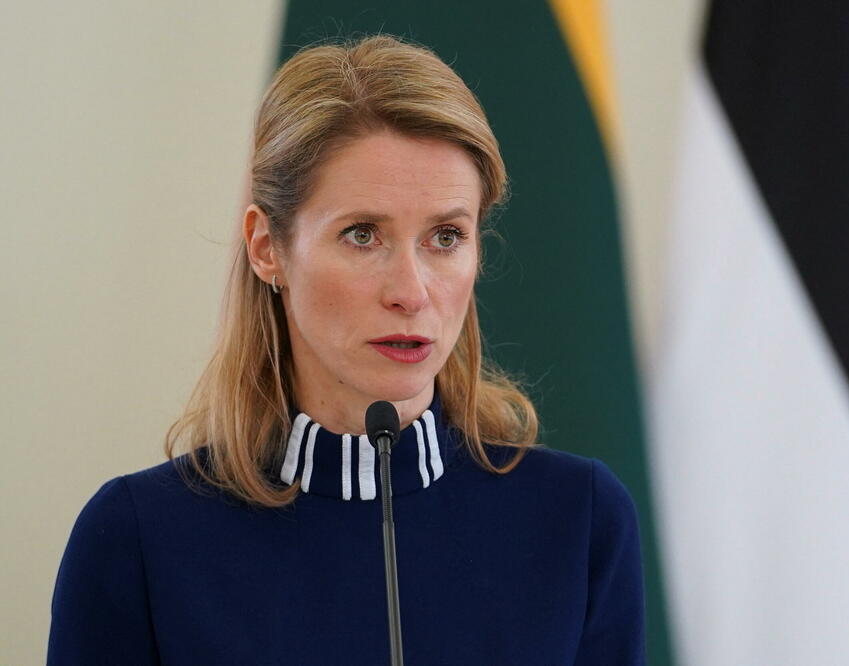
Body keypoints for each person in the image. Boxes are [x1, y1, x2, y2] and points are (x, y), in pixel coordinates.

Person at [47, 35, 646, 665]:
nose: (411, 292)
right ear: (267, 248)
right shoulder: (137, 540)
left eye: (446, 236)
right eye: (363, 235)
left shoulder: (579, 522)